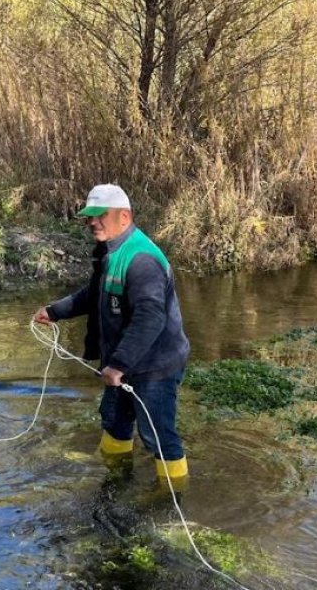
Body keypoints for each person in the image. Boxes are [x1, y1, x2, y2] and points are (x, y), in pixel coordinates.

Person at [34, 184, 191, 487]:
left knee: (158, 434)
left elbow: (151, 317)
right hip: (124, 363)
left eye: (99, 215)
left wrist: (117, 365)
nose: (92, 222)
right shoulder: (111, 252)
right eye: (89, 217)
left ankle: (173, 496)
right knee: (114, 420)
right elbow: (94, 295)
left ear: (124, 216)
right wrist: (55, 312)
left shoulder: (141, 259)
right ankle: (115, 476)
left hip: (154, 366)